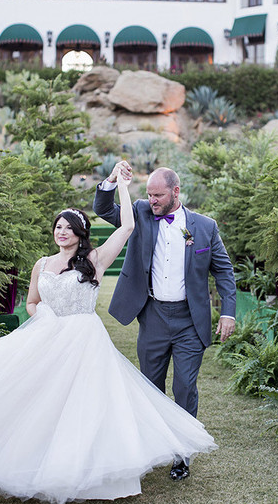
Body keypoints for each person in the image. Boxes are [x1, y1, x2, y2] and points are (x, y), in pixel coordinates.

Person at [0, 171, 217, 504]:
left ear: (80, 233)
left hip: (85, 340)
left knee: (89, 403)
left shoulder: (94, 260)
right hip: (48, 337)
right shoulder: (42, 264)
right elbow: (32, 302)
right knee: (41, 400)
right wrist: (43, 317)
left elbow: (127, 227)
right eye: (58, 227)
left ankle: (90, 471)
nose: (62, 232)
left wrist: (122, 185)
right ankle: (36, 462)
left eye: (68, 228)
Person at [94, 161, 236, 481]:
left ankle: (181, 454)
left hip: (190, 321)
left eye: (158, 195)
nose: (152, 200)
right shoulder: (141, 213)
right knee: (150, 387)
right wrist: (113, 179)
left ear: (176, 192)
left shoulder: (205, 227)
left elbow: (224, 271)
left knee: (184, 387)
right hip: (154, 316)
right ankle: (152, 447)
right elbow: (103, 209)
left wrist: (228, 311)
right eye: (149, 194)